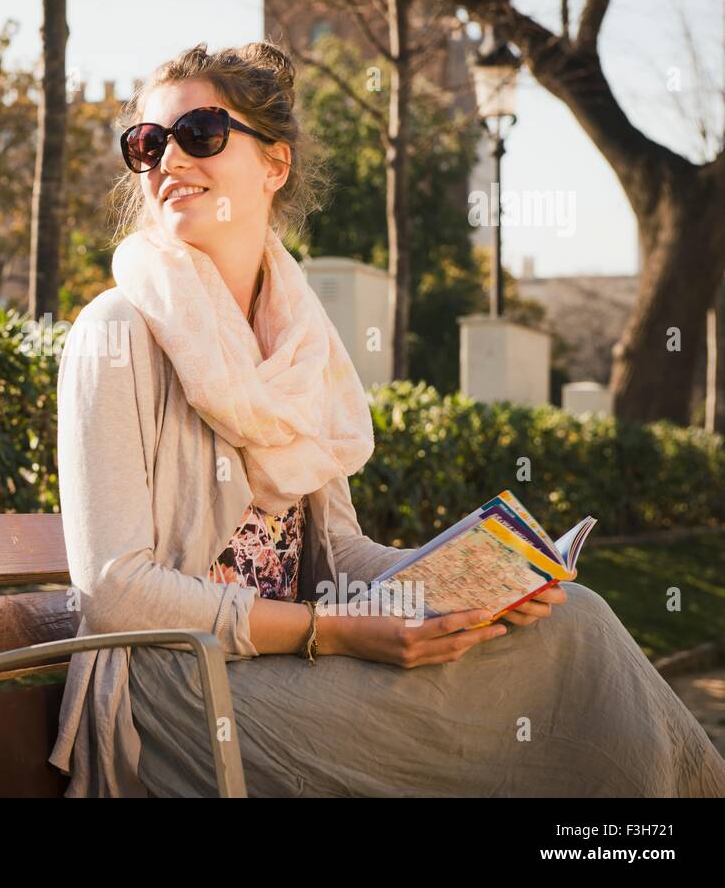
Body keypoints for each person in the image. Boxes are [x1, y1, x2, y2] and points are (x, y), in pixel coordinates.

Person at [46, 40, 725, 798]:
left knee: (575, 624)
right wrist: (331, 631)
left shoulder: (297, 342)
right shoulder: (115, 332)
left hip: (289, 663)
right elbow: (115, 590)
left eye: (200, 133)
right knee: (533, 716)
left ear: (274, 165)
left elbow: (337, 553)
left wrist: (471, 574)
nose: (168, 159)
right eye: (147, 143)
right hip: (175, 687)